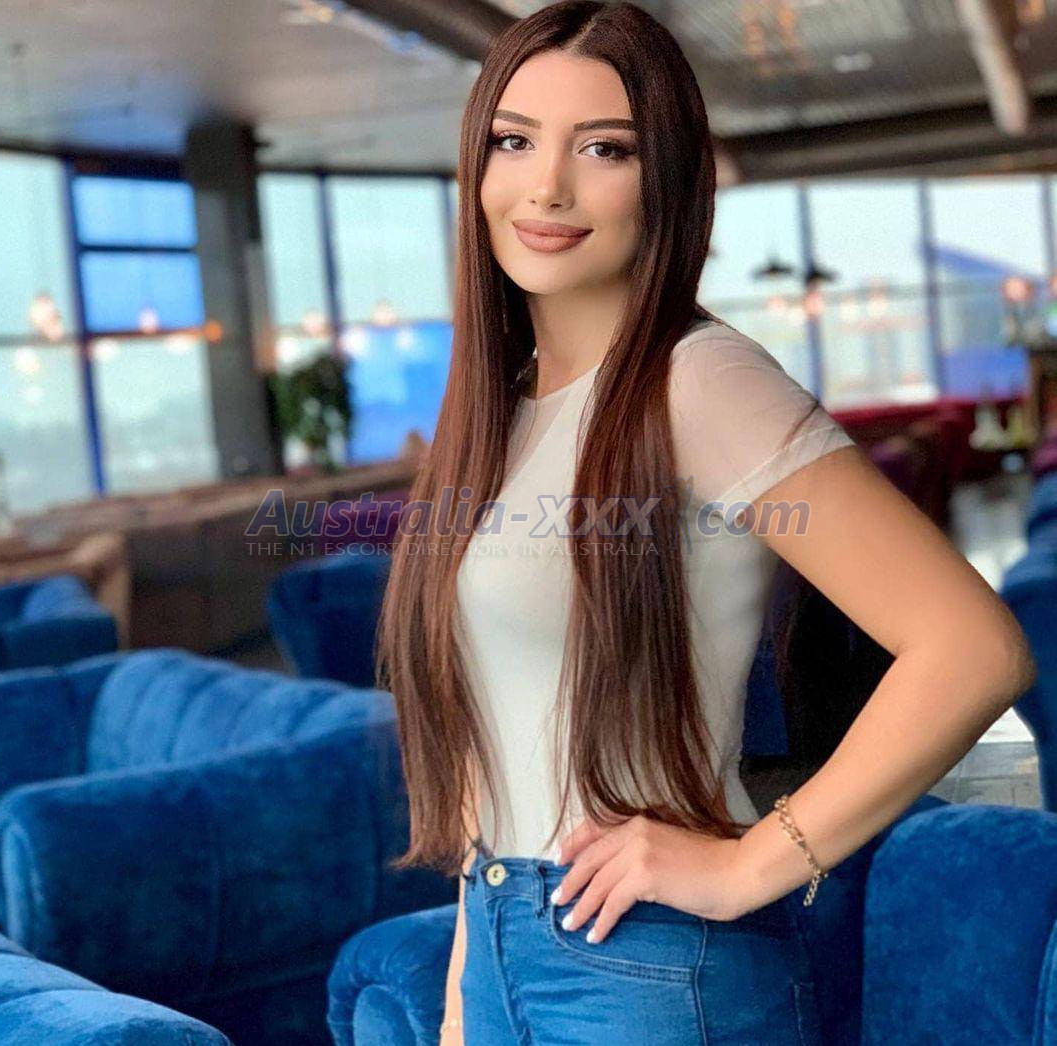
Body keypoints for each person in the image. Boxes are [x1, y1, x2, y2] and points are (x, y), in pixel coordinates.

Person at [375, 3, 1038, 1043]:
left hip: (647, 970)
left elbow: (973, 647)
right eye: (514, 140)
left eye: (604, 148)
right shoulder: (499, 412)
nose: (546, 187)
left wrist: (751, 863)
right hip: (505, 940)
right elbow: (495, 752)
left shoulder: (697, 380)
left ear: (668, 179)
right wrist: (467, 995)